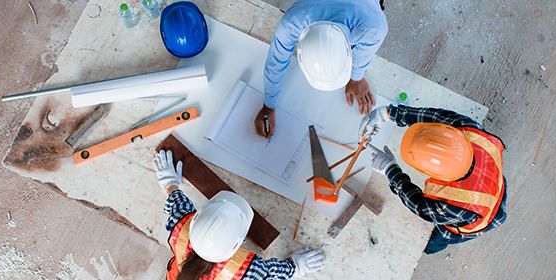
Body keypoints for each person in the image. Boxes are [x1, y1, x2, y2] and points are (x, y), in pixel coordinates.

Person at [153, 150, 325, 279]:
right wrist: (295, 267)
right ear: (238, 244)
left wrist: (170, 182)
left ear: (196, 219)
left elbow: (177, 204)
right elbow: (269, 274)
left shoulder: (180, 227)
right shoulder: (243, 271)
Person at [358, 105, 508, 254]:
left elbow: (418, 205)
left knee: (438, 237)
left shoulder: (451, 205)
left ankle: (430, 249)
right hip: (494, 183)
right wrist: (388, 113)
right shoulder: (467, 129)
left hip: (480, 219)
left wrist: (390, 171)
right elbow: (435, 116)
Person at [255, 0, 388, 138]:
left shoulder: (374, 27)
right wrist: (268, 105)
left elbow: (363, 53)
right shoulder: (292, 23)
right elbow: (276, 62)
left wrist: (355, 78)